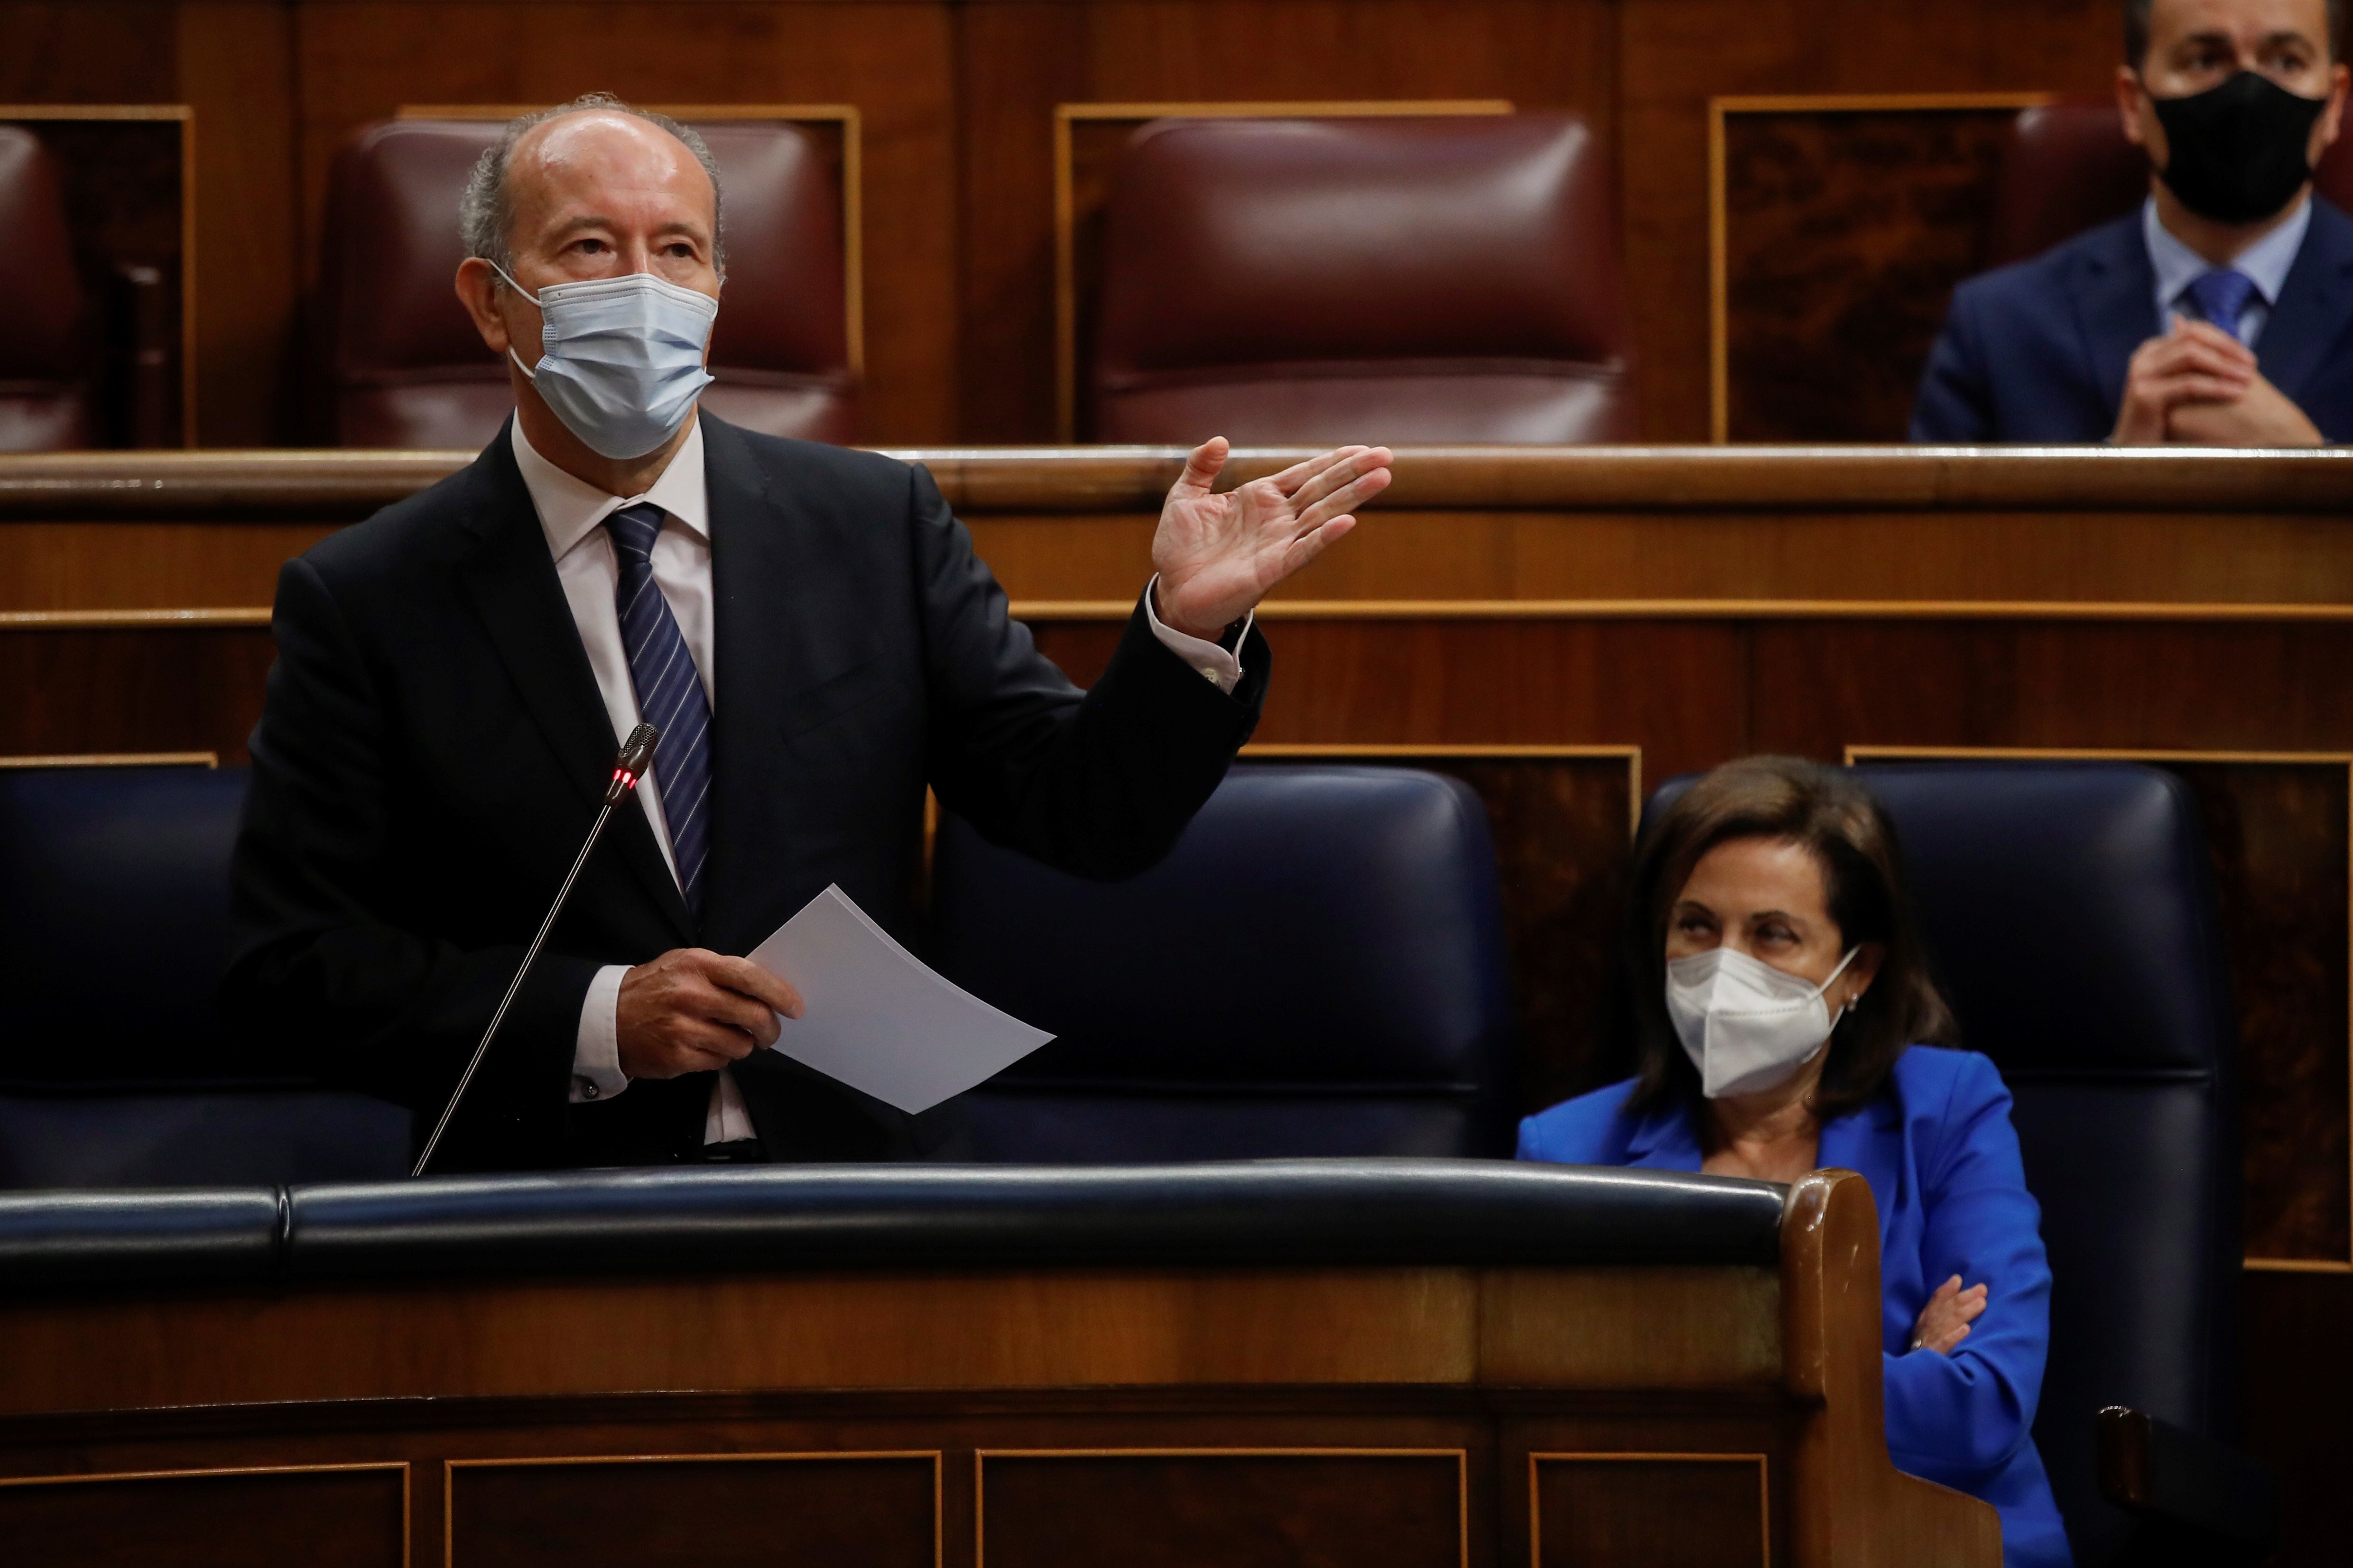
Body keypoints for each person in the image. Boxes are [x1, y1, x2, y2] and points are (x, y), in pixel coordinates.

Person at [221, 93, 1393, 1173]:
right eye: (588, 247)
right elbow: (291, 972)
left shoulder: (873, 525)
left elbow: (1078, 815)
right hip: (543, 1195)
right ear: (490, 300)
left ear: (718, 287)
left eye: (676, 249)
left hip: (853, 1186)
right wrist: (595, 1018)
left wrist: (1185, 633)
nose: (643, 284)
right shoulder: (371, 596)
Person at [1516, 758, 2068, 1568]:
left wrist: (1679, 1370)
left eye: (1773, 934)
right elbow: (1562, 1432)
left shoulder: (1948, 1108)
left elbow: (1981, 1412)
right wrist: (1892, 1371)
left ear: (1861, 971)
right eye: (1697, 925)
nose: (1723, 966)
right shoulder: (1565, 1149)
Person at [1912, 0, 2353, 444]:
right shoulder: (1997, 328)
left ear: (2334, 104)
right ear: (2132, 102)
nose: (2247, 93)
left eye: (2286, 62)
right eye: (2204, 60)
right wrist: (2119, 477)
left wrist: (2310, 465)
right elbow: (1938, 514)